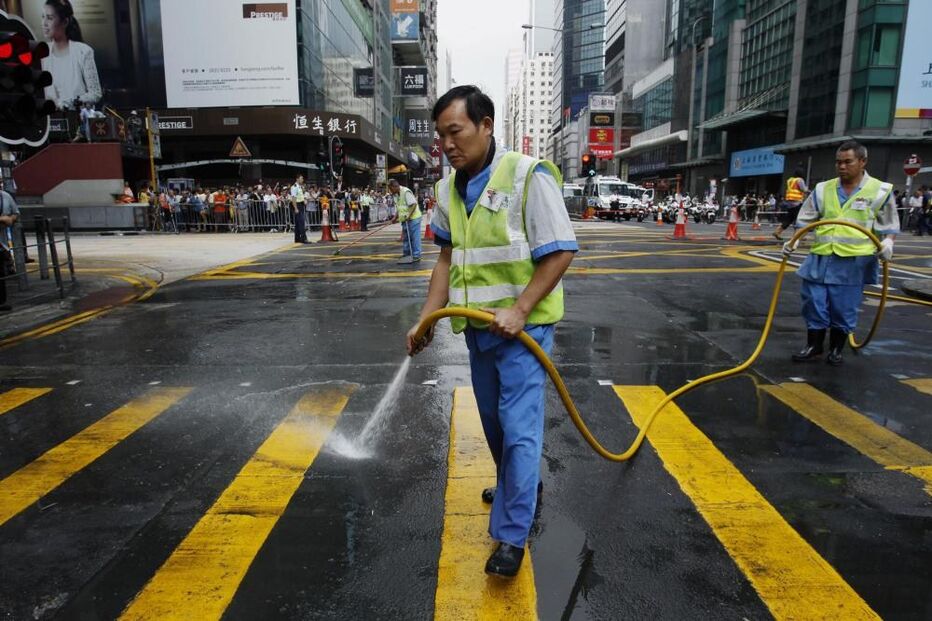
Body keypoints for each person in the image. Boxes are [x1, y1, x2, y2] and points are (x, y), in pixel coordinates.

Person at [405, 85, 577, 577]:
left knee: (520, 432)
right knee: (497, 427)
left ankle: (511, 537)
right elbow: (445, 258)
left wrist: (521, 309)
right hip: (478, 333)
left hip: (523, 335)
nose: (447, 144)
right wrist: (427, 319)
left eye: (455, 131)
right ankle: (518, 486)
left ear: (486, 125)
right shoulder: (446, 189)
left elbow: (560, 249)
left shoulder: (528, 175)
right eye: (441, 136)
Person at [783, 140, 898, 365]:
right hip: (821, 255)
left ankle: (836, 348)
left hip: (854, 260)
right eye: (838, 162)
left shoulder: (880, 190)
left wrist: (888, 243)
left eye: (847, 162)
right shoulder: (822, 189)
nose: (842, 167)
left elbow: (889, 225)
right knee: (813, 301)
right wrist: (795, 240)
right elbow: (805, 219)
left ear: (862, 162)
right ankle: (814, 345)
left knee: (843, 306)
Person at [41, 0, 102, 111]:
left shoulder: (83, 52)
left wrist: (66, 104)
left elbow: (95, 93)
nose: (44, 23)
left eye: (49, 18)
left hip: (78, 120)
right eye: (43, 17)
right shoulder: (43, 53)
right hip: (51, 122)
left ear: (65, 22)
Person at [389, 179, 422, 262]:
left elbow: (413, 204)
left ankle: (416, 255)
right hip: (405, 219)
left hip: (413, 218)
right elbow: (399, 207)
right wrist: (395, 217)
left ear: (395, 186)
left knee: (414, 237)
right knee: (406, 238)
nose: (390, 191)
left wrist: (409, 216)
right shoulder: (396, 195)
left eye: (391, 189)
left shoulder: (406, 192)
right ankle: (406, 254)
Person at [774, 167, 810, 240]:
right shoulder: (800, 180)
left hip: (789, 203)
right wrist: (809, 190)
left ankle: (777, 232)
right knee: (799, 220)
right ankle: (796, 236)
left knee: (789, 219)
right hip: (797, 203)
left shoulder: (790, 180)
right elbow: (804, 189)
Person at [0, 184, 20, 312]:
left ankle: (1, 302)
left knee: (1, 273)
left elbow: (16, 213)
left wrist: (10, 219)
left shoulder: (5, 196)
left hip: (2, 243)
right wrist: (1, 218)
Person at [290, 174, 308, 243]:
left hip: (301, 204)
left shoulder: (299, 187)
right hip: (298, 206)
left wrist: (304, 200)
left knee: (297, 224)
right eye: (301, 178)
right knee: (301, 223)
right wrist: (295, 208)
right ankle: (304, 239)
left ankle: (297, 239)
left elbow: (300, 196)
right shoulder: (294, 187)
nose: (302, 180)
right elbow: (293, 198)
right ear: (297, 179)